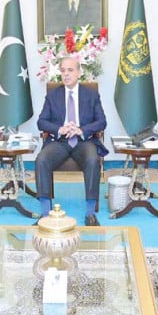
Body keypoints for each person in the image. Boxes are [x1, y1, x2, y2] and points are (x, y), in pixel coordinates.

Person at [36, 55, 107, 226]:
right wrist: (59, 129)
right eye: (63, 71)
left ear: (78, 73)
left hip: (84, 141)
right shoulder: (53, 95)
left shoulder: (91, 95)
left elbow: (102, 121)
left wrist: (81, 130)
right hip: (59, 142)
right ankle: (46, 215)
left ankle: (90, 214)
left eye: (70, 70)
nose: (66, 74)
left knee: (92, 159)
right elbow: (41, 122)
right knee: (41, 159)